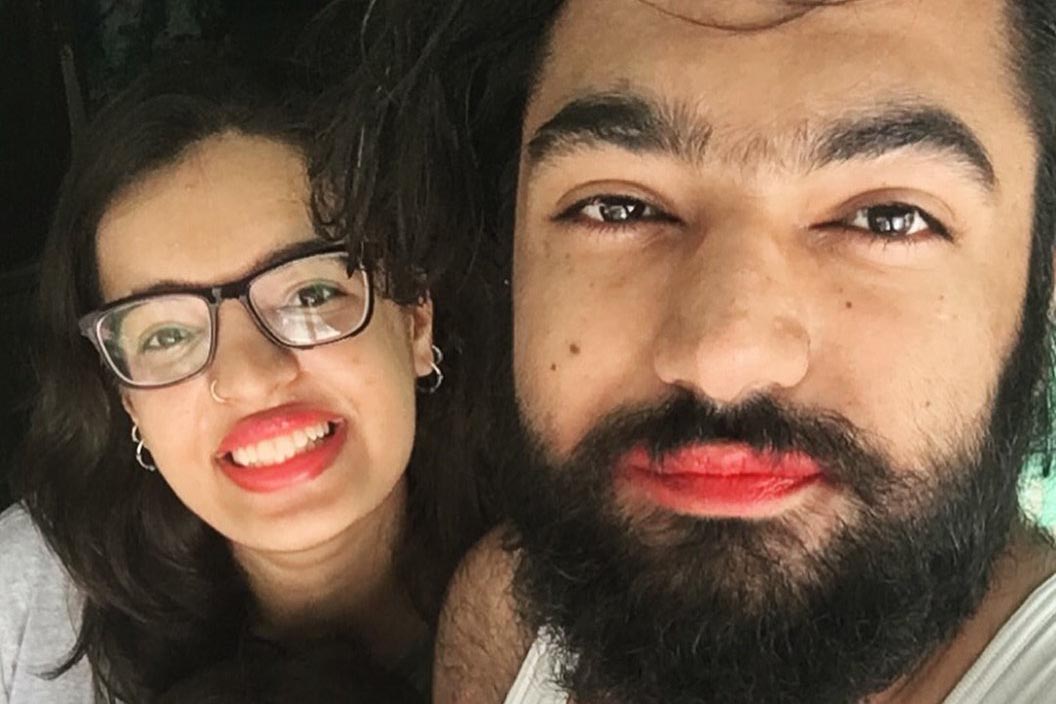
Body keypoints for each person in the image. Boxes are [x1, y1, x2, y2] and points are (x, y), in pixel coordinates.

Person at [314, 0, 1056, 702]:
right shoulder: (508, 616)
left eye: (889, 218)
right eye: (618, 207)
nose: (722, 360)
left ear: (1041, 278)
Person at [0, 48, 493, 703]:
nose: (251, 376)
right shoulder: (23, 602)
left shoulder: (585, 600)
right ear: (126, 400)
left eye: (310, 295)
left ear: (415, 320)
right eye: (166, 335)